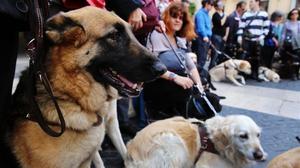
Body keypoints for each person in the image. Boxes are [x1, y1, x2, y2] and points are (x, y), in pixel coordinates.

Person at [144, 2, 202, 120]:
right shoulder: (157, 35)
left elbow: (189, 65)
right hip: (158, 84)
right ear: (166, 17)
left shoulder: (179, 39)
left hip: (175, 87)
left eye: (181, 18)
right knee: (183, 90)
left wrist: (199, 85)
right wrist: (176, 78)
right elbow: (150, 66)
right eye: (174, 16)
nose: (178, 20)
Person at [236, 0, 269, 80]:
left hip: (258, 39)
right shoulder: (246, 14)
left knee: (257, 58)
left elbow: (266, 28)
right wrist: (239, 37)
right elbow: (241, 26)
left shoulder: (264, 14)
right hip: (247, 39)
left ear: (257, 2)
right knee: (246, 57)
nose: (250, 4)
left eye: (252, 2)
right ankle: (245, 73)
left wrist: (262, 37)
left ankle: (255, 74)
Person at [280, 8, 300, 80]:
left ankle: (296, 74)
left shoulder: (299, 23)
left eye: (296, 13)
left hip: (297, 44)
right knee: (288, 59)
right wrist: (281, 43)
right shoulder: (287, 24)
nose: (294, 15)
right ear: (290, 15)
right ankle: (290, 74)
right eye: (293, 13)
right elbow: (283, 34)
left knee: (297, 60)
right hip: (288, 44)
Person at [194, 0, 214, 69]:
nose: (212, 6)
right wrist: (205, 36)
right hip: (202, 37)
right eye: (211, 4)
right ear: (206, 4)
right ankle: (197, 76)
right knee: (201, 58)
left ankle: (200, 75)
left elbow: (208, 27)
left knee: (204, 58)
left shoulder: (207, 14)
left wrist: (209, 38)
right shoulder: (200, 13)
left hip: (207, 37)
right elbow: (201, 27)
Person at [209, 0, 226, 69]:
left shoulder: (223, 14)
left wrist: (226, 36)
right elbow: (221, 23)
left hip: (222, 36)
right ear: (216, 6)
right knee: (215, 53)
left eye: (222, 4)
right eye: (220, 4)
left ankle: (217, 69)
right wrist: (225, 16)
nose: (222, 5)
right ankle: (211, 68)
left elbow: (227, 25)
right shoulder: (215, 15)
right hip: (216, 36)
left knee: (220, 53)